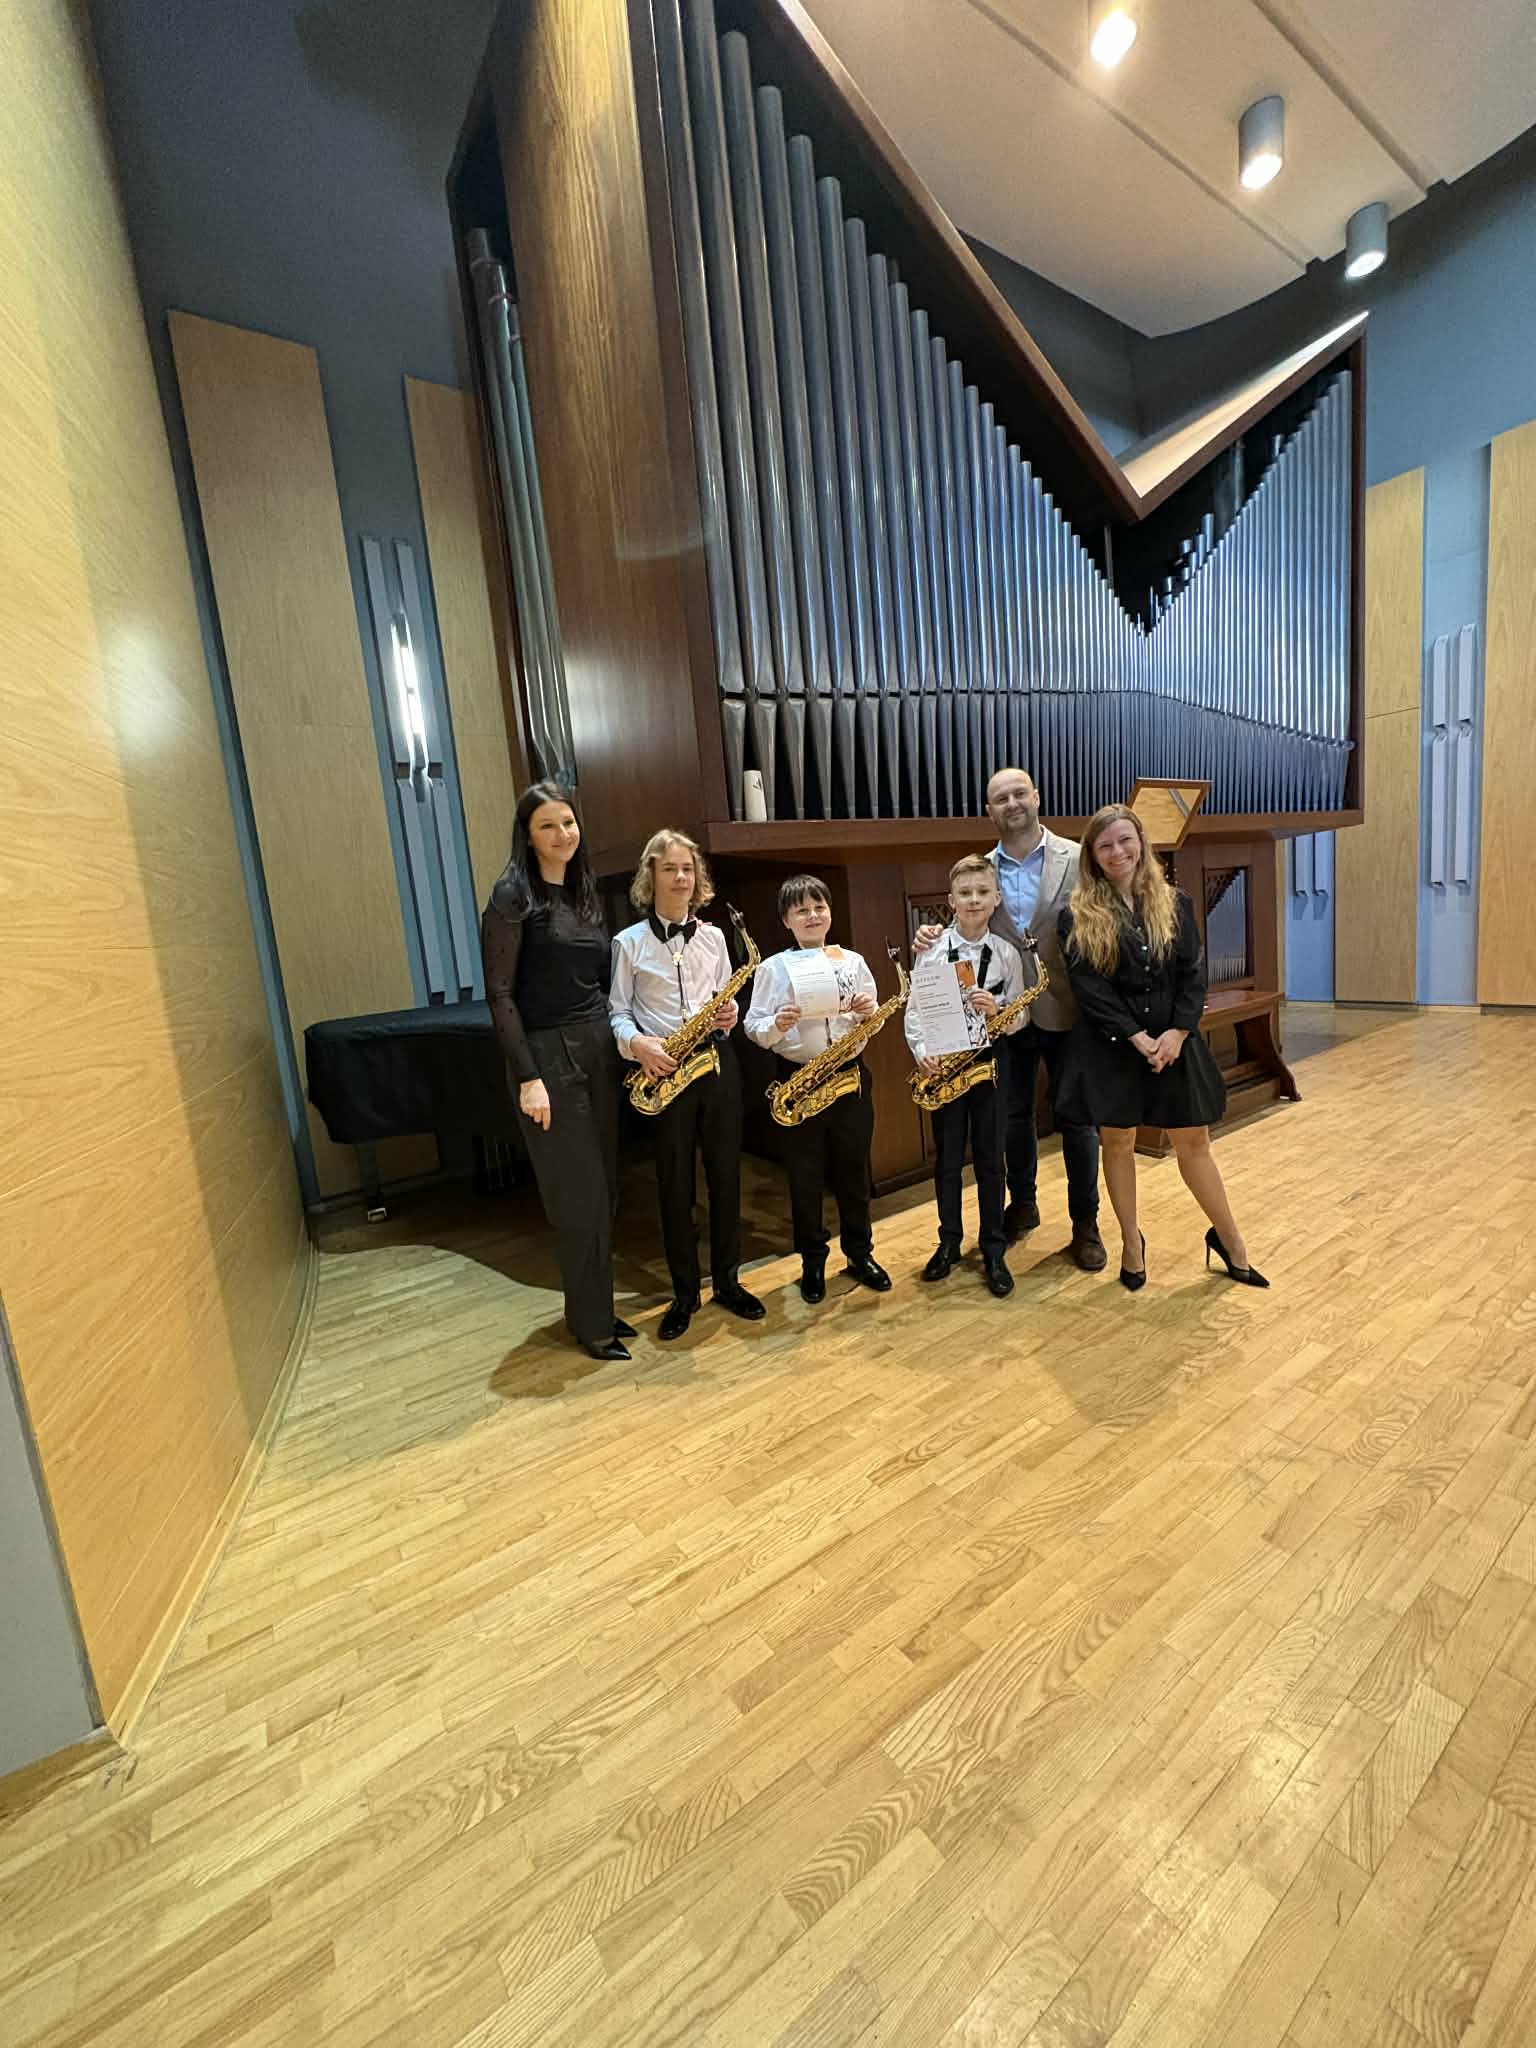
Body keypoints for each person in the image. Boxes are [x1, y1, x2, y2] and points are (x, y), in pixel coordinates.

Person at [1056, 804, 1268, 1291]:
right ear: (1092, 855)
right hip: (1113, 1046)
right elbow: (1090, 989)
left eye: (1125, 840)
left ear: (1141, 843)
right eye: (1105, 845)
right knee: (1118, 1144)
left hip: (1173, 1042)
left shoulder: (1175, 903)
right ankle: (1132, 1243)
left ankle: (1231, 1241)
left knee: (1195, 1144)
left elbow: (1192, 974)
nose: (1117, 852)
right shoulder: (1076, 915)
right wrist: (1136, 1036)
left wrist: (1177, 1033)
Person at [913, 768, 1106, 1272]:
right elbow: (967, 926)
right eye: (1001, 798)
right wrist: (928, 936)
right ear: (990, 810)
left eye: (1020, 793)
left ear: (1037, 797)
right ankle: (1023, 1203)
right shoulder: (983, 870)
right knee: (1014, 1117)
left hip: (1067, 1007)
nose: (1012, 803)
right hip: (1004, 1017)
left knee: (1078, 1120)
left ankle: (1086, 1223)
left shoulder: (1076, 858)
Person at [481, 781, 632, 1362]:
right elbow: (499, 994)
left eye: (568, 822)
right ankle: (593, 1326)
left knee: (606, 1192)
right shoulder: (512, 896)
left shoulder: (582, 892)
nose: (563, 833)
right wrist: (527, 1077)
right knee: (579, 1197)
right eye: (548, 825)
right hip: (547, 1055)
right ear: (527, 836)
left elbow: (599, 982)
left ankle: (593, 1309)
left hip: (597, 1047)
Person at [609, 830, 766, 1340]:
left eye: (688, 869)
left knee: (726, 1176)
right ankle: (684, 1293)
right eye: (670, 868)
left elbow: (726, 1000)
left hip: (716, 1064)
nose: (681, 877)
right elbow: (617, 1013)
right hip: (664, 1070)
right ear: (650, 876)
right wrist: (638, 1044)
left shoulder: (716, 938)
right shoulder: (628, 944)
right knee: (674, 1184)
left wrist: (729, 1013)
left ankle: (728, 1281)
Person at [744, 874, 892, 1304]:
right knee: (804, 1176)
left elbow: (872, 1023)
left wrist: (868, 1012)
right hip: (798, 1078)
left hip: (849, 1074)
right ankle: (812, 1261)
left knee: (854, 1170)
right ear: (786, 920)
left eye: (819, 907)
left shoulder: (853, 961)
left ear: (830, 911)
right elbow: (753, 1026)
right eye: (801, 910)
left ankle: (860, 1253)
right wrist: (777, 1024)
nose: (812, 915)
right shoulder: (772, 968)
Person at [904, 855, 1029, 1297]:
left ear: (996, 899)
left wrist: (999, 1013)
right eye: (965, 893)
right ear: (951, 900)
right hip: (946, 1063)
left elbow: (1021, 1015)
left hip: (991, 1062)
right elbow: (914, 1010)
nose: (974, 900)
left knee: (992, 1158)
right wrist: (921, 1051)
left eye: (982, 892)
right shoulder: (932, 950)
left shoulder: (1008, 954)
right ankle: (949, 1242)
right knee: (948, 1159)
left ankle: (993, 1246)